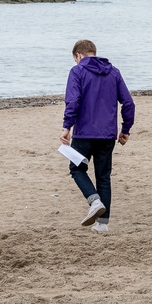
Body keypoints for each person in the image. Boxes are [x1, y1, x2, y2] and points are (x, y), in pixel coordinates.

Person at [60, 39, 135, 234]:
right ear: (93, 52)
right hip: (107, 135)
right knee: (103, 177)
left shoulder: (77, 71)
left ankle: (94, 201)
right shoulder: (114, 72)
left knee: (76, 169)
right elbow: (128, 103)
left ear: (78, 56)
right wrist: (125, 130)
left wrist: (67, 126)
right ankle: (102, 224)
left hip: (84, 133)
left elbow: (73, 100)